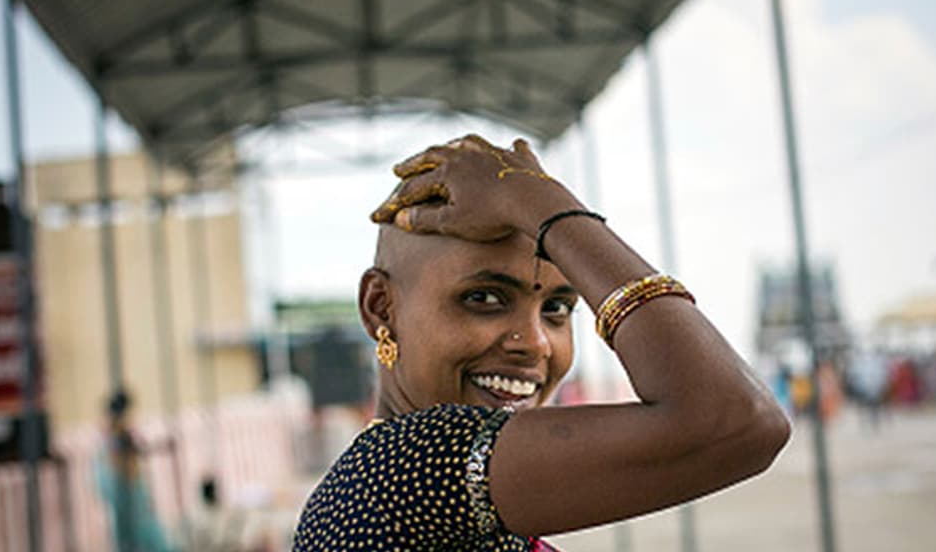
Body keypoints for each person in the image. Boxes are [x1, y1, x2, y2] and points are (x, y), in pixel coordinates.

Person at [292, 135, 790, 550]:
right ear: (381, 308)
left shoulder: (422, 489)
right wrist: (538, 202)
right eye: (483, 298)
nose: (534, 344)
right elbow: (739, 419)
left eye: (557, 308)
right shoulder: (409, 468)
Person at [95, 389, 174, 551]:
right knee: (137, 526)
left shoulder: (110, 430)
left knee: (128, 527)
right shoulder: (117, 430)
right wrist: (162, 446)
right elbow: (137, 448)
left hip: (124, 484)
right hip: (125, 484)